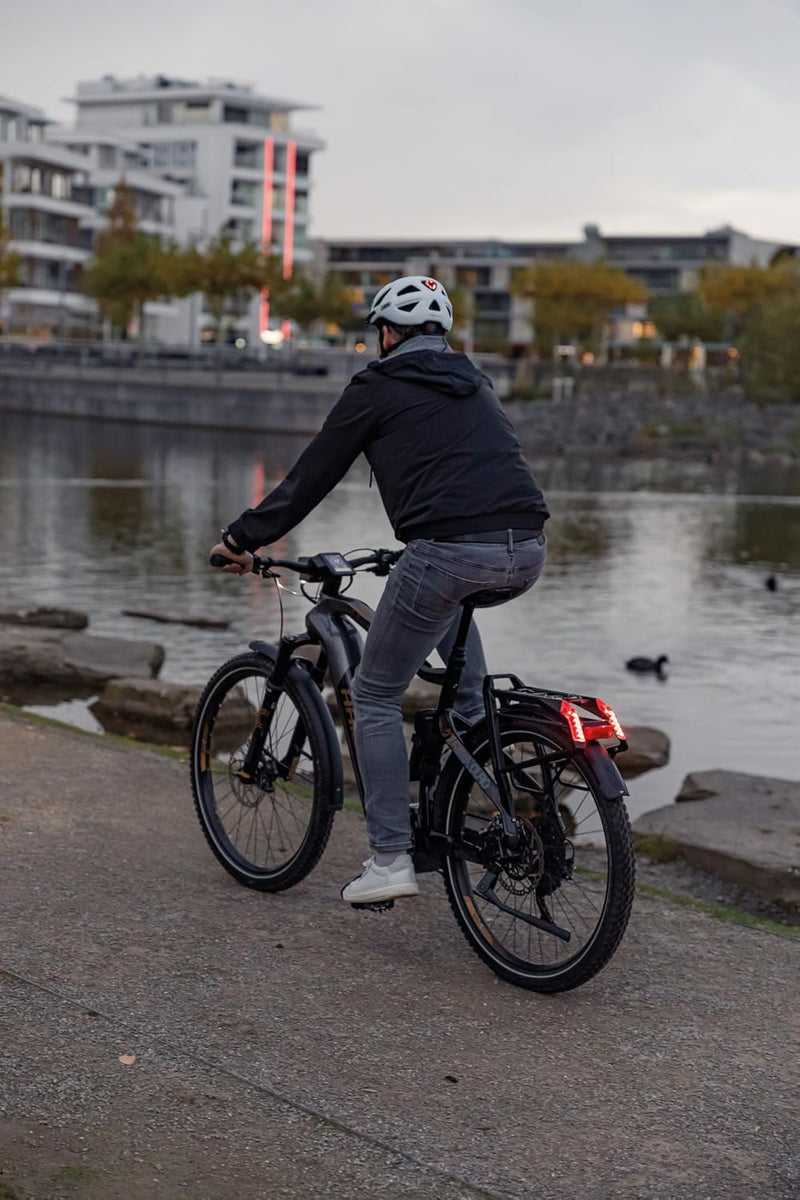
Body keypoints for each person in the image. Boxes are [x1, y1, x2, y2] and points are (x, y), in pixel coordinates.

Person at [210, 276, 549, 905]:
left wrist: (241, 538)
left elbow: (312, 475)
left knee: (373, 694)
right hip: (526, 548)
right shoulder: (474, 381)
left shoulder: (377, 385)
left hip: (448, 551)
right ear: (440, 335)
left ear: (387, 334)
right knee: (464, 682)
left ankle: (391, 855)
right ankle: (492, 790)